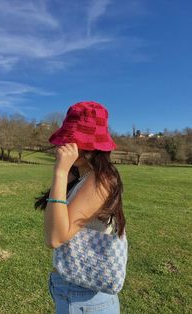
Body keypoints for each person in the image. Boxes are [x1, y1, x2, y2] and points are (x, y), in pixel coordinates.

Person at [35, 101, 126, 313]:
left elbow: (54, 238)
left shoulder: (101, 180)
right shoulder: (82, 175)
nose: (66, 145)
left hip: (85, 299)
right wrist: (65, 176)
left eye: (72, 140)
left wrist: (59, 173)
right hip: (76, 292)